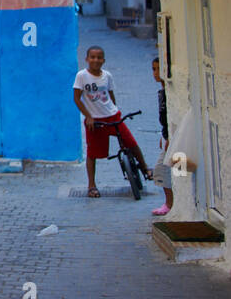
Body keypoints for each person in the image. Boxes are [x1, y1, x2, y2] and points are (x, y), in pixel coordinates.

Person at [73, 45, 151, 198]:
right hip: (94, 121)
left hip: (113, 116)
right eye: (92, 57)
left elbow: (110, 95)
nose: (96, 60)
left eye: (99, 57)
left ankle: (145, 168)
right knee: (92, 154)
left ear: (104, 60)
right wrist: (88, 116)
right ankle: (92, 185)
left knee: (132, 143)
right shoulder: (82, 76)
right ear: (87, 59)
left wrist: (115, 109)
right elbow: (76, 98)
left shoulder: (107, 76)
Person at [150, 57, 173, 216]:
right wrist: (163, 134)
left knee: (172, 170)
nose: (156, 73)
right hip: (167, 136)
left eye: (158, 69)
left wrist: (170, 136)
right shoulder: (162, 91)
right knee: (165, 170)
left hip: (175, 138)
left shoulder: (170, 92)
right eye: (154, 69)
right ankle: (170, 203)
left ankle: (170, 204)